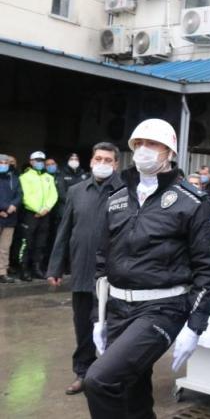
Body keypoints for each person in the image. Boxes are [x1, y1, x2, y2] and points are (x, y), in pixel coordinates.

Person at [83, 119, 210, 418]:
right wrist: (99, 316)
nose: (144, 150)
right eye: (139, 144)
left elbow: (208, 270)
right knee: (132, 390)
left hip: (162, 308)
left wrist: (195, 326)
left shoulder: (192, 202)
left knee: (99, 380)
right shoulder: (117, 198)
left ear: (169, 152)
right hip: (118, 307)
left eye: (153, 144)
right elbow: (102, 263)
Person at [46, 143, 124, 395]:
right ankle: (83, 372)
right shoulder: (76, 191)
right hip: (81, 270)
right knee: (82, 325)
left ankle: (111, 375)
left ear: (116, 164)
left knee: (111, 326)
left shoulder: (125, 192)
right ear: (91, 161)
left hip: (113, 275)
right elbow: (64, 230)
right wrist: (55, 267)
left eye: (108, 160)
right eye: (98, 158)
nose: (102, 163)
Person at [17, 151, 58, 281]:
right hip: (31, 214)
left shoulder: (49, 177)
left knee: (41, 243)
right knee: (27, 242)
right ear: (31, 161)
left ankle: (37, 268)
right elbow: (25, 196)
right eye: (37, 160)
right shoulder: (24, 177)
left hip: (45, 214)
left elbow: (54, 195)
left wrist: (46, 208)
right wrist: (38, 209)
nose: (40, 163)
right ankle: (24, 269)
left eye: (42, 160)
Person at [0, 154, 21, 283]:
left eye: (6, 162)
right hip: (2, 213)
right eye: (1, 162)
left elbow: (19, 194)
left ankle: (2, 272)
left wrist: (13, 205)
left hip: (10, 218)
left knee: (5, 247)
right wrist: (3, 209)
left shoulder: (14, 178)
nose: (4, 164)